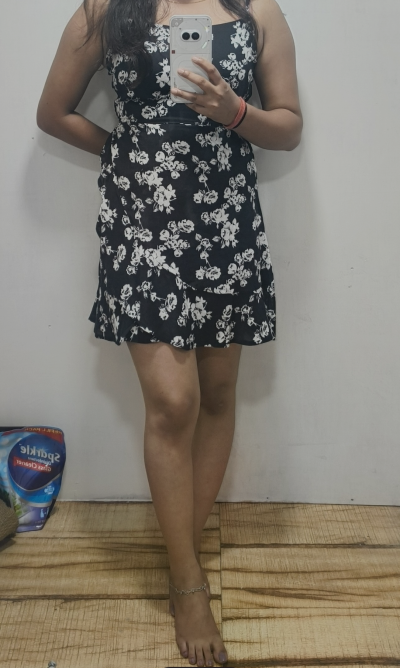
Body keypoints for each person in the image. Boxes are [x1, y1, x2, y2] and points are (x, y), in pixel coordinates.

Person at [37, 0, 302, 665]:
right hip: (141, 218)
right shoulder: (105, 10)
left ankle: (179, 546)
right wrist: (126, 150)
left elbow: (289, 127)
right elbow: (54, 112)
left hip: (225, 216)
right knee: (172, 402)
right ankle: (188, 583)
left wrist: (233, 112)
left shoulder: (257, 12)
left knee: (218, 395)